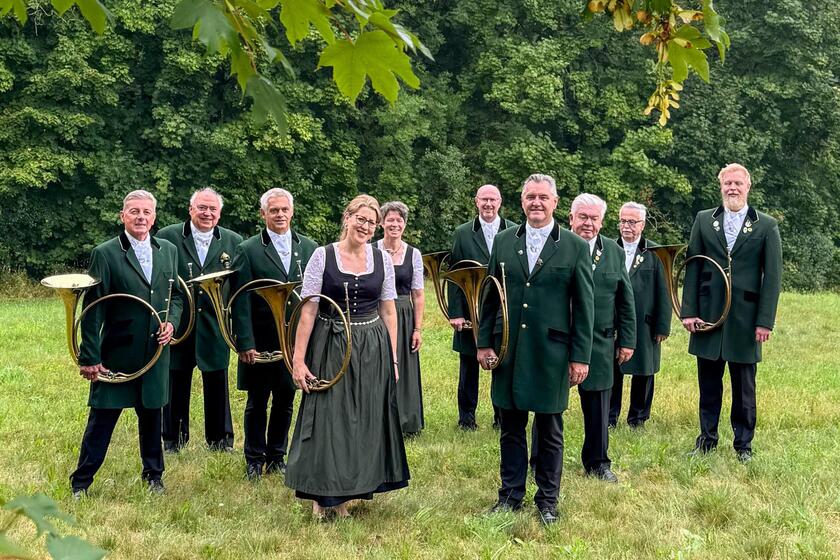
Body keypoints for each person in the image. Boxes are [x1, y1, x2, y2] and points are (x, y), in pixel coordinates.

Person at [477, 174, 594, 526]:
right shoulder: (502, 241)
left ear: (556, 203)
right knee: (510, 426)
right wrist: (483, 342)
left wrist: (580, 356)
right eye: (530, 197)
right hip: (509, 349)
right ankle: (510, 495)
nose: (537, 203)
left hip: (552, 352)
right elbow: (488, 295)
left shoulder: (574, 246)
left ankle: (547, 501)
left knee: (549, 430)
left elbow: (585, 305)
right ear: (522, 200)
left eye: (543, 197)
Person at [286, 194, 410, 519]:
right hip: (330, 343)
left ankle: (351, 492)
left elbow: (389, 310)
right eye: (361, 219)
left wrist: (394, 359)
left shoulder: (381, 259)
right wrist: (298, 360)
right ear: (347, 217)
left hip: (372, 345)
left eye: (372, 222)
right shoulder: (321, 256)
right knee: (329, 417)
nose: (366, 226)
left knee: (365, 418)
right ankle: (322, 497)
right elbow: (309, 310)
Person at [70, 190, 183, 497]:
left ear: (154, 217)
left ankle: (154, 477)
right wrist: (89, 357)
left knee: (152, 417)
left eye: (146, 212)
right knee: (102, 419)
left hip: (155, 354)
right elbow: (92, 310)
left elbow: (177, 297)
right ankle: (81, 483)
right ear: (122, 216)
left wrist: (171, 322)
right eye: (134, 212)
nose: (141, 217)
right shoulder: (105, 253)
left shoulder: (168, 250)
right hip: (117, 354)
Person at [680, 163, 782, 462]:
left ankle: (743, 445)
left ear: (748, 187)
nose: (732, 188)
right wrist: (689, 312)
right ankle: (707, 439)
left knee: (744, 388)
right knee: (708, 384)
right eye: (727, 183)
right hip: (708, 316)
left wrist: (765, 321)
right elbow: (694, 265)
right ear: (720, 187)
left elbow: (772, 278)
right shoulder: (703, 219)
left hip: (746, 320)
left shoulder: (766, 225)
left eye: (738, 183)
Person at [230, 188, 317, 480]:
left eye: (284, 210)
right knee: (257, 401)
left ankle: (277, 456)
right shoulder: (248, 248)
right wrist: (245, 341)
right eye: (274, 210)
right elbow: (239, 299)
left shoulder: (309, 247)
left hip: (295, 339)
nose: (280, 215)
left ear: (292, 212)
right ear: (263, 214)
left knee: (286, 398)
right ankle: (254, 459)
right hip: (261, 337)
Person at [157, 188, 242, 453]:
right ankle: (172, 439)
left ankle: (220, 440)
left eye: (212, 209)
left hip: (215, 326)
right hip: (179, 324)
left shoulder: (233, 240)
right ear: (190, 209)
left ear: (219, 213)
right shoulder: (167, 237)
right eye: (202, 208)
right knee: (175, 381)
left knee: (217, 382)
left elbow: (237, 289)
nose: (207, 213)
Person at [566, 194, 635, 482]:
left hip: (600, 343)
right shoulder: (557, 247)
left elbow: (625, 299)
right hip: (559, 340)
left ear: (602, 221)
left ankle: (598, 462)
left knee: (598, 407)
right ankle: (540, 460)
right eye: (583, 217)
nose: (588, 223)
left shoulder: (613, 252)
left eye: (594, 218)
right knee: (549, 408)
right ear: (571, 218)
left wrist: (628, 339)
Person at [448, 184, 517, 431]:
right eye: (484, 200)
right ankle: (466, 419)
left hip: (503, 312)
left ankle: (502, 417)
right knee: (468, 366)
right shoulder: (463, 232)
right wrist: (455, 312)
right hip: (470, 309)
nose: (488, 204)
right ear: (476, 202)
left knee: (503, 363)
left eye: (493, 200)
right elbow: (454, 274)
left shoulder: (514, 231)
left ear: (500, 203)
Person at [609, 202, 671, 429]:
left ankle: (638, 418)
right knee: (613, 371)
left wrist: (662, 327)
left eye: (632, 222)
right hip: (613, 322)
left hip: (645, 323)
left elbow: (664, 291)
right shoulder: (607, 248)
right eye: (623, 221)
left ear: (642, 224)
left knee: (644, 371)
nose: (627, 226)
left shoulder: (656, 253)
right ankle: (609, 417)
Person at [377, 201, 426, 435]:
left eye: (399, 220)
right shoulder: (372, 250)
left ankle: (406, 421)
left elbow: (418, 294)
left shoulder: (413, 254)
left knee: (404, 366)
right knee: (379, 363)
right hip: (377, 313)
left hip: (405, 315)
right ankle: (378, 418)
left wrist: (417, 329)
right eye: (390, 219)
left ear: (404, 225)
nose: (394, 224)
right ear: (382, 223)